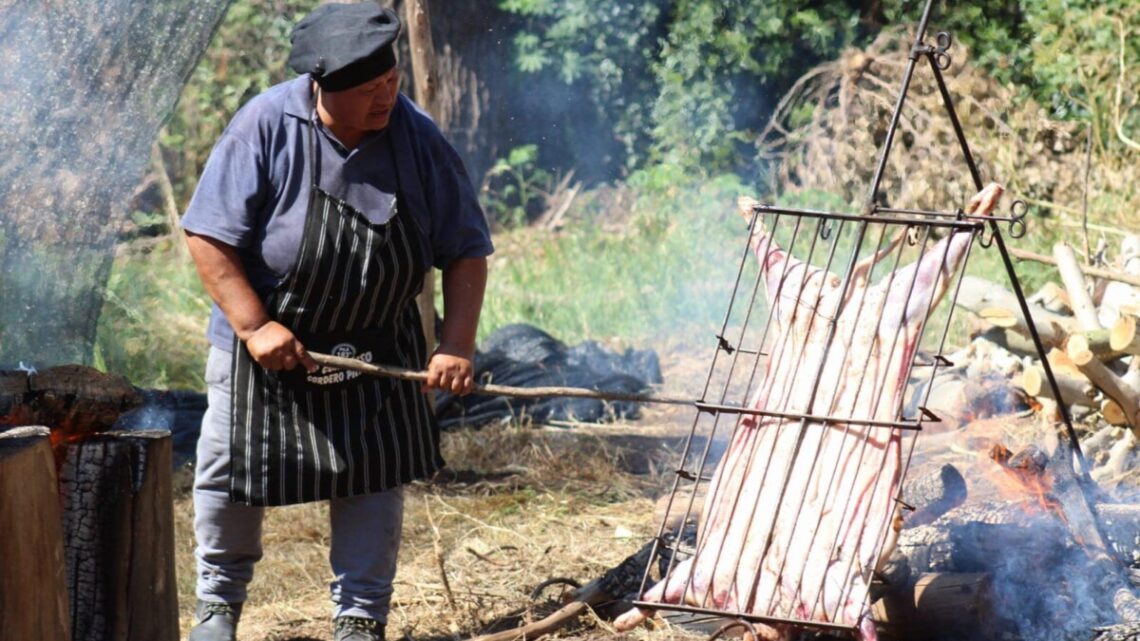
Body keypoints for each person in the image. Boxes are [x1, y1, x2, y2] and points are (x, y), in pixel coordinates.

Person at [180, 4, 492, 641]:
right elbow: (208, 236)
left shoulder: (417, 137)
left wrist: (456, 344)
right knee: (228, 470)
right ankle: (217, 607)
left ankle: (359, 617)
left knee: (373, 475)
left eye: (392, 80)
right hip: (267, 347)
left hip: (379, 348)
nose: (387, 97)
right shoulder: (265, 126)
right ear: (322, 86)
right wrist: (254, 327)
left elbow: (465, 248)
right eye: (368, 89)